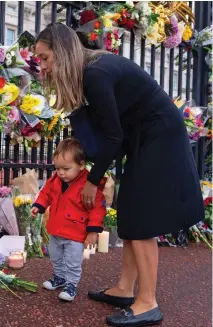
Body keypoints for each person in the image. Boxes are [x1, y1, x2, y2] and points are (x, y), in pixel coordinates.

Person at [35, 23, 204, 326]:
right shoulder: (93, 69)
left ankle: (147, 303)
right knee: (129, 213)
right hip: (144, 136)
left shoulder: (95, 74)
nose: (43, 67)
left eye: (45, 58)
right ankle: (125, 290)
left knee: (141, 219)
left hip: (158, 136)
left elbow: (112, 137)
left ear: (61, 52)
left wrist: (91, 180)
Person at [31, 138, 106, 302]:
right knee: (55, 256)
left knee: (73, 261)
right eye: (57, 168)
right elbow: (46, 193)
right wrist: (39, 205)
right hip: (57, 229)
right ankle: (59, 277)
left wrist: (92, 232)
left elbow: (97, 209)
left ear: (81, 165)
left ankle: (71, 284)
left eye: (66, 168)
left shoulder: (88, 184)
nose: (61, 173)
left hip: (75, 233)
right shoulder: (56, 180)